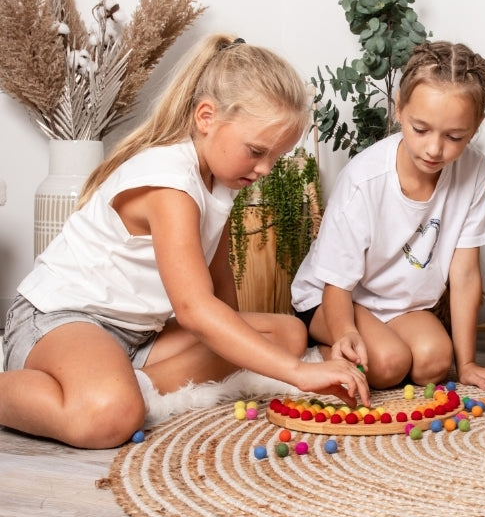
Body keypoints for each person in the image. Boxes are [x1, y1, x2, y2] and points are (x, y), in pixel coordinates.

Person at [1, 34, 370, 449]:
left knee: (285, 335)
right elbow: (195, 310)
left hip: (138, 336)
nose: (265, 169)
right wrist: (299, 374)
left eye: (276, 158)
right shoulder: (171, 182)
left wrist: (247, 345)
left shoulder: (221, 183)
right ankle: (87, 389)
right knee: (109, 417)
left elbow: (222, 298)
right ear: (206, 117)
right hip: (61, 320)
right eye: (256, 151)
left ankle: (122, 380)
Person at [291, 40, 485, 392]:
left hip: (399, 304)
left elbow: (463, 274)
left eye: (455, 136)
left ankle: (384, 345)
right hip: (332, 297)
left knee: (433, 363)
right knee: (387, 365)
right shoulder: (363, 179)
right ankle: (316, 353)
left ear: (476, 126)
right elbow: (336, 283)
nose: (434, 149)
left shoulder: (472, 171)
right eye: (420, 129)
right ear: (398, 108)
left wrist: (468, 364)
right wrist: (346, 333)